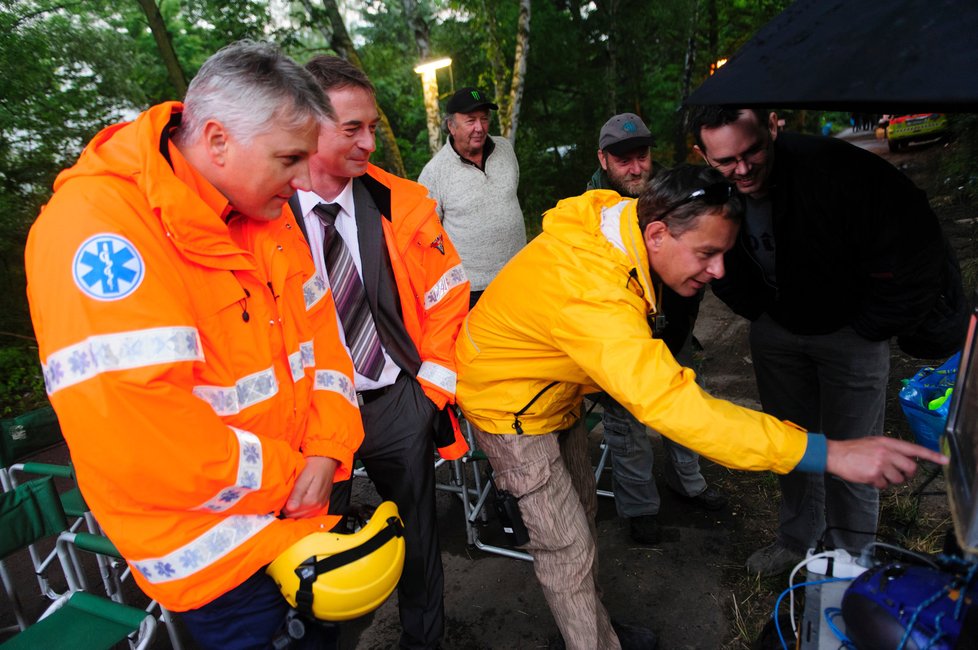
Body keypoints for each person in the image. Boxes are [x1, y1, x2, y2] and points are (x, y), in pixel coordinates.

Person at [454, 163, 946, 650]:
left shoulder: (621, 228)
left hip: (551, 394)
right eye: (707, 253)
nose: (718, 271)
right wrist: (829, 453)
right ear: (658, 233)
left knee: (581, 519)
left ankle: (593, 626)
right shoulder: (591, 290)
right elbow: (677, 408)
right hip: (509, 410)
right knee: (566, 547)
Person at [24, 41, 365, 649]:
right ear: (216, 141)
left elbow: (325, 345)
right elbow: (140, 435)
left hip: (303, 511)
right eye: (289, 159)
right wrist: (296, 475)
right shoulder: (98, 229)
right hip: (219, 560)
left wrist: (328, 450)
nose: (303, 181)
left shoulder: (263, 204)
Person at [688, 106, 948, 576]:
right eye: (726, 161)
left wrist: (872, 325)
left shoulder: (834, 169)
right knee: (793, 445)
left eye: (752, 152)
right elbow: (707, 253)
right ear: (702, 153)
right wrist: (757, 309)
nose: (743, 169)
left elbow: (916, 238)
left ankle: (851, 558)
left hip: (853, 335)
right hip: (778, 333)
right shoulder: (713, 189)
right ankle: (797, 541)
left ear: (772, 126)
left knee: (853, 448)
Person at [290, 55, 469, 650]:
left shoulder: (402, 202)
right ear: (306, 124)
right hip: (313, 420)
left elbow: (449, 299)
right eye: (352, 129)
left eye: (372, 126)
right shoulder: (265, 214)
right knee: (317, 554)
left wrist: (427, 396)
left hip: (397, 402)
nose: (369, 142)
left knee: (419, 543)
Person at [586, 113, 726, 546]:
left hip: (676, 334)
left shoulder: (675, 192)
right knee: (627, 430)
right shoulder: (590, 211)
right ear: (604, 160)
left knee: (686, 409)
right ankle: (640, 510)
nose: (636, 168)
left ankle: (688, 482)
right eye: (624, 160)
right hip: (622, 346)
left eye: (642, 156)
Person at [418, 87, 526, 307]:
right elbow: (429, 238)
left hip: (519, 273)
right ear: (451, 126)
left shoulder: (505, 149)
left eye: (484, 119)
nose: (479, 128)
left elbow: (511, 192)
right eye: (470, 121)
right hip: (473, 290)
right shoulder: (434, 173)